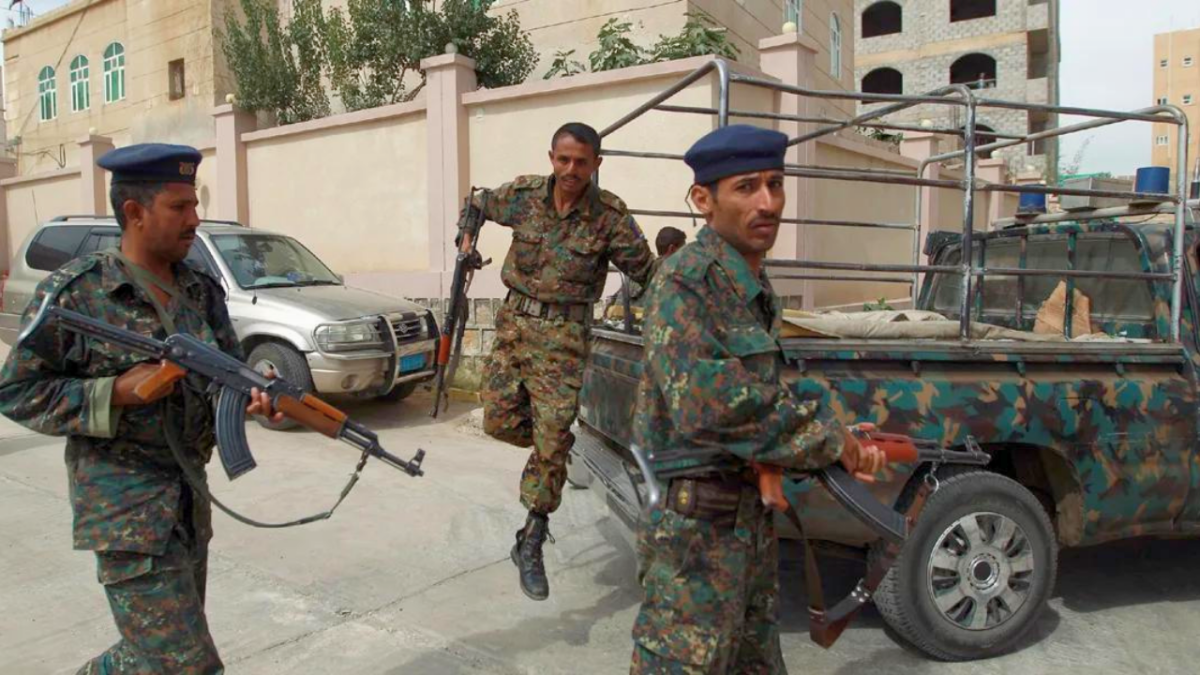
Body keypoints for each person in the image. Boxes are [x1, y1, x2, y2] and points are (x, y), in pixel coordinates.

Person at [0, 143, 281, 674]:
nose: (194, 219)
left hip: (188, 503)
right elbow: (15, 391)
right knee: (186, 665)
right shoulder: (79, 293)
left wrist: (254, 398)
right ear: (134, 212)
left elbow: (227, 373)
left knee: (151, 658)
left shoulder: (200, 290)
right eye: (179, 207)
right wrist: (114, 393)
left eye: (194, 204)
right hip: (125, 510)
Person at [628, 125, 886, 674]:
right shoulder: (686, 281)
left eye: (775, 184)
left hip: (747, 524)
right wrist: (827, 440)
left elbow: (761, 389)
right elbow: (710, 405)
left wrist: (835, 429)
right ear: (704, 200)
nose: (768, 202)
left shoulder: (752, 285)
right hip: (694, 535)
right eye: (746, 187)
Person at [468, 122, 655, 601]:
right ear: (551, 157)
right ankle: (555, 444)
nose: (572, 169)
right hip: (513, 328)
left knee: (551, 439)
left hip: (565, 339)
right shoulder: (524, 196)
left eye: (582, 162)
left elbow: (649, 273)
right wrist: (466, 239)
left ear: (597, 163)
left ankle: (532, 535)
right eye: (564, 159)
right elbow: (478, 201)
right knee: (498, 420)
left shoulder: (610, 216)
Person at [602, 225, 687, 321]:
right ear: (672, 249)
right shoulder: (675, 274)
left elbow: (613, 308)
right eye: (683, 250)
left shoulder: (638, 272)